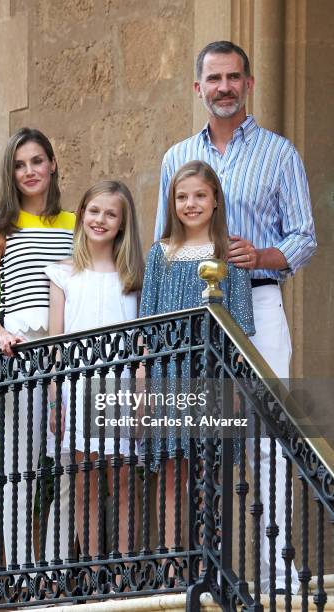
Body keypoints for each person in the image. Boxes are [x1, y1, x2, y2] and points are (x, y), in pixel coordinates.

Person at [154, 40, 316, 594]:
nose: (223, 87)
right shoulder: (176, 158)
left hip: (261, 305)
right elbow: (164, 240)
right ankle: (205, 572)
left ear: (249, 83)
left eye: (233, 78)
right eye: (213, 78)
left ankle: (278, 574)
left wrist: (262, 256)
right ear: (198, 87)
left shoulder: (279, 152)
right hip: (195, 319)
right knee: (202, 437)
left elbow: (305, 236)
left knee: (268, 433)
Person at [0, 127, 75, 568]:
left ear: (52, 164)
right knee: (21, 471)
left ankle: (52, 569)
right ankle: (19, 573)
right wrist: (1, 336)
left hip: (74, 355)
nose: (29, 171)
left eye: (37, 161)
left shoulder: (77, 222)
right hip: (20, 355)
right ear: (10, 173)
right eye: (19, 165)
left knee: (74, 469)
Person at [140, 159, 255, 547]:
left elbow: (241, 328)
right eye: (182, 196)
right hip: (168, 375)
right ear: (172, 203)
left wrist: (237, 385)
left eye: (200, 196)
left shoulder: (229, 251)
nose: (190, 204)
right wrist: (143, 380)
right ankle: (174, 565)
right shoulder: (161, 253)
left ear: (216, 201)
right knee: (173, 471)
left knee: (211, 472)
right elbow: (146, 323)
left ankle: (210, 564)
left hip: (214, 375)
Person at [44, 180, 144, 557]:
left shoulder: (134, 277)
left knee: (122, 482)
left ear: (122, 223)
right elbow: (56, 341)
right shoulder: (63, 274)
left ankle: (122, 570)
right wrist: (55, 394)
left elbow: (140, 344)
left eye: (110, 214)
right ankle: (92, 569)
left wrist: (139, 392)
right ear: (82, 214)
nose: (100, 220)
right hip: (76, 387)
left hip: (118, 387)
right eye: (94, 211)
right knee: (83, 483)